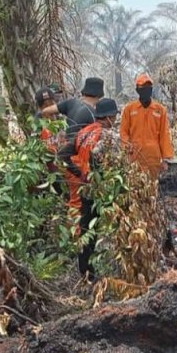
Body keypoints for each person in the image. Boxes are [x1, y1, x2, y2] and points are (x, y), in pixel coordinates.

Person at [58, 98, 119, 281]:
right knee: (104, 231)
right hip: (101, 192)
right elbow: (109, 163)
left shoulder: (84, 132)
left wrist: (80, 174)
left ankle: (84, 271)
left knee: (86, 229)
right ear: (108, 117)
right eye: (114, 116)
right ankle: (99, 273)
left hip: (85, 189)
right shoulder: (107, 136)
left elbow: (62, 155)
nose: (115, 120)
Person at [41, 77, 105, 211]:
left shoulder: (71, 103)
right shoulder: (93, 115)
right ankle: (74, 231)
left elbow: (45, 112)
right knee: (78, 205)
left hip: (62, 159)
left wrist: (55, 131)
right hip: (76, 163)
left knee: (70, 200)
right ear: (99, 96)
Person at [120, 73, 174, 178]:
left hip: (153, 158)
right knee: (135, 187)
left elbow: (165, 135)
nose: (146, 90)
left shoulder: (160, 110)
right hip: (134, 156)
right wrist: (127, 148)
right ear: (137, 90)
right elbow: (124, 132)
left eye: (148, 87)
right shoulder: (129, 109)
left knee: (152, 187)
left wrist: (166, 159)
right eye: (143, 87)